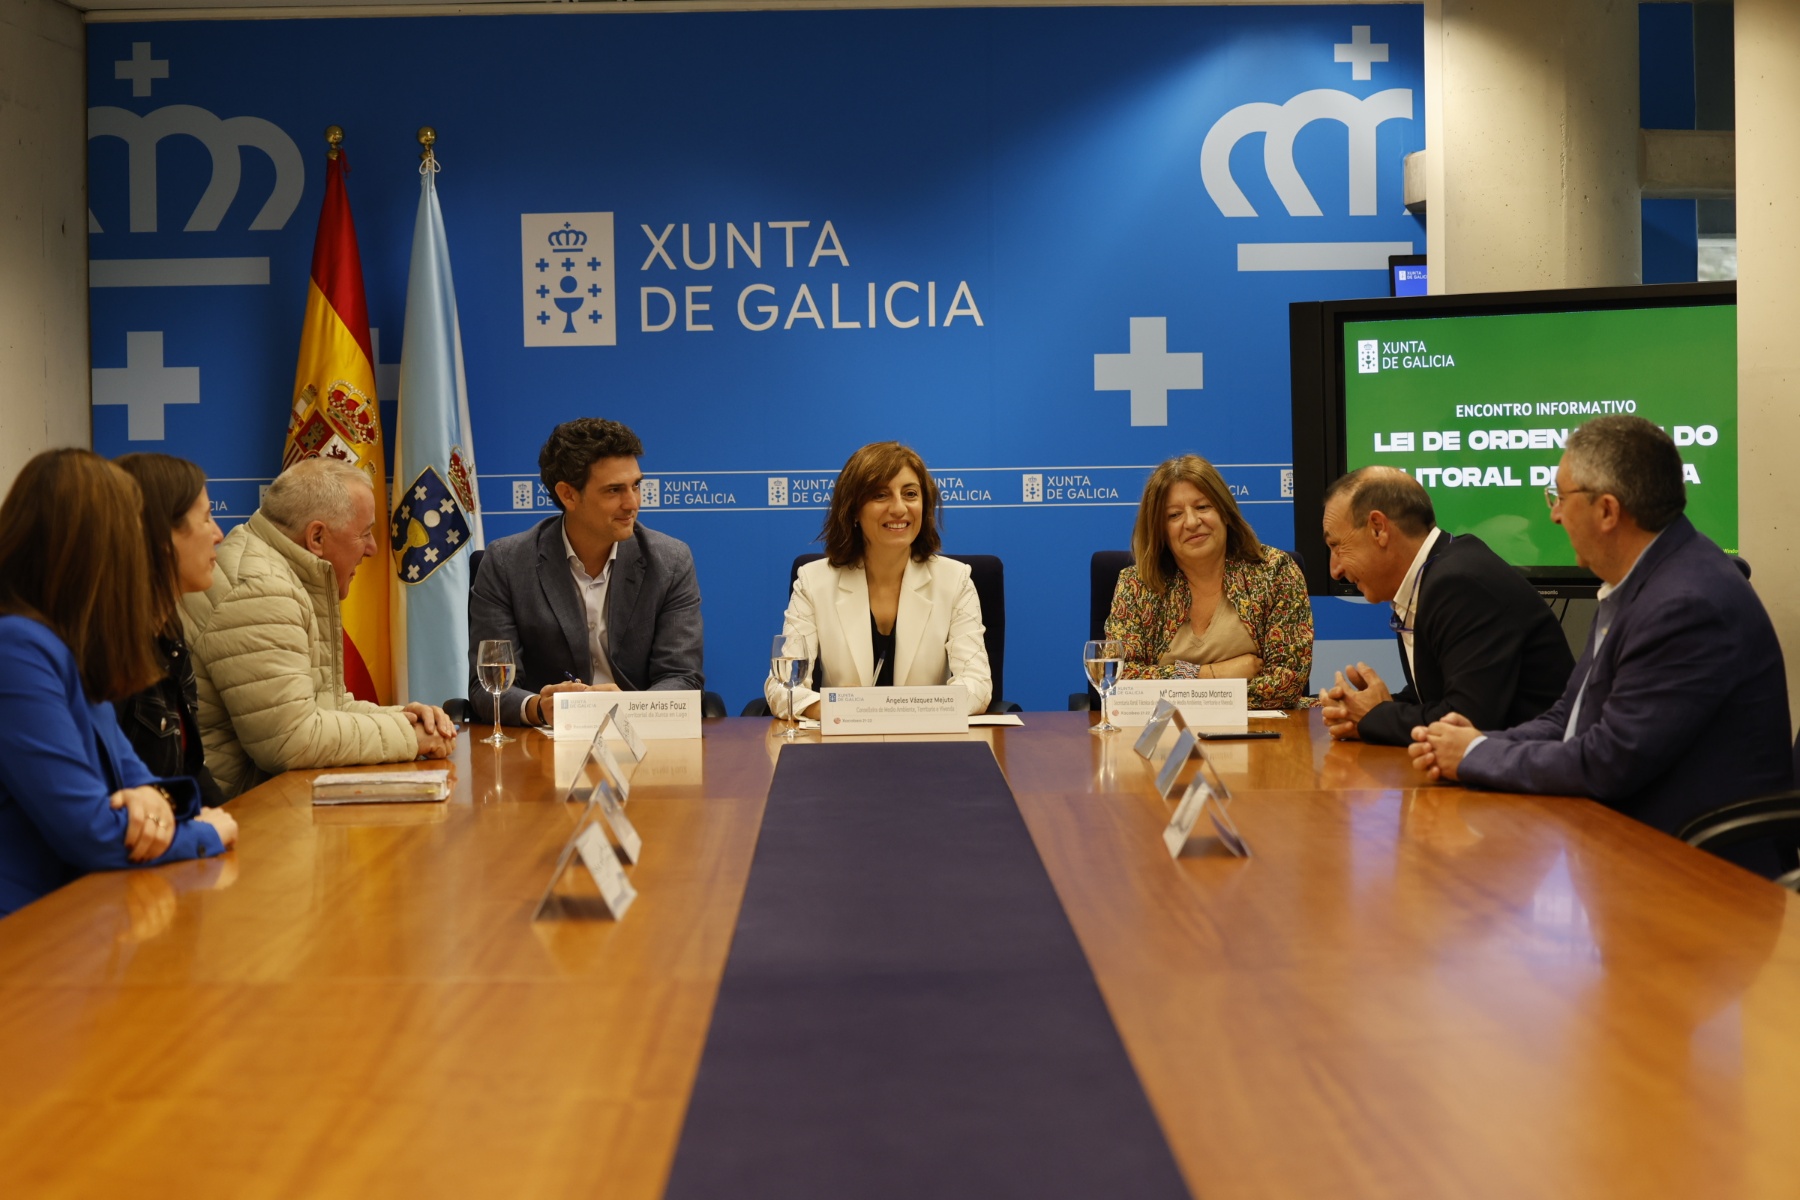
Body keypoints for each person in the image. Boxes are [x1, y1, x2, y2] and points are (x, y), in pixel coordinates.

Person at [1408, 415, 1791, 837]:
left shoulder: (1685, 604)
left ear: (1607, 510)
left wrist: (1474, 756)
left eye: (1559, 497)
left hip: (1693, 859)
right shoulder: (1641, 579)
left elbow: (1609, 762)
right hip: (1625, 837)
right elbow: (1569, 716)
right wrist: (1482, 743)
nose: (1554, 515)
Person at [0, 449, 237, 917]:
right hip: (29, 931)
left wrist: (151, 800)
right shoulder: (16, 648)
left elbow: (148, 783)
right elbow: (91, 831)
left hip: (84, 917)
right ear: (91, 548)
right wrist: (204, 833)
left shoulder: (69, 646)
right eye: (130, 537)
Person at [186, 457, 457, 797]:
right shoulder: (261, 589)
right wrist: (409, 737)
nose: (373, 549)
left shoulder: (281, 568)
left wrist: (405, 719)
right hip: (238, 811)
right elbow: (291, 740)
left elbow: (323, 706)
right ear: (316, 537)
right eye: (365, 533)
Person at [470, 418, 704, 727]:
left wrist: (630, 707)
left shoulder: (670, 561)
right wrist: (539, 707)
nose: (632, 503)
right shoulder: (507, 563)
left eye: (636, 485)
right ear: (568, 495)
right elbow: (488, 688)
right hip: (545, 742)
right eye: (614, 490)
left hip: (640, 736)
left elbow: (682, 678)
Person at [1318, 466, 1573, 744]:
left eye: (1337, 545)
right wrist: (1364, 708)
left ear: (1378, 528)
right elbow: (1436, 697)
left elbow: (1465, 722)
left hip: (1541, 763)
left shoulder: (1459, 582)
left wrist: (1375, 715)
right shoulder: (1435, 574)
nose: (1334, 570)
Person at [766, 441, 991, 717]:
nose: (899, 508)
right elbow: (782, 688)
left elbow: (977, 686)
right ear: (853, 510)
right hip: (846, 738)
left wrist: (898, 712)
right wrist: (839, 708)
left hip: (926, 738)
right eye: (880, 495)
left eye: (910, 494)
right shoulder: (814, 581)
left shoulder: (955, 581)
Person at [1105, 455, 1311, 709]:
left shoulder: (1275, 572)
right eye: (1174, 515)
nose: (1192, 522)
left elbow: (1286, 685)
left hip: (1262, 729)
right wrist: (1211, 674)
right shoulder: (1136, 585)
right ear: (1159, 530)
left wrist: (1179, 688)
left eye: (1203, 507)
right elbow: (1121, 681)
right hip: (1164, 730)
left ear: (1225, 512)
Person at [114, 453, 228, 808]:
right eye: (206, 518)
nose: (219, 535)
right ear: (163, 535)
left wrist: (231, 827)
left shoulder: (168, 630)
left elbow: (188, 770)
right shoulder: (106, 650)